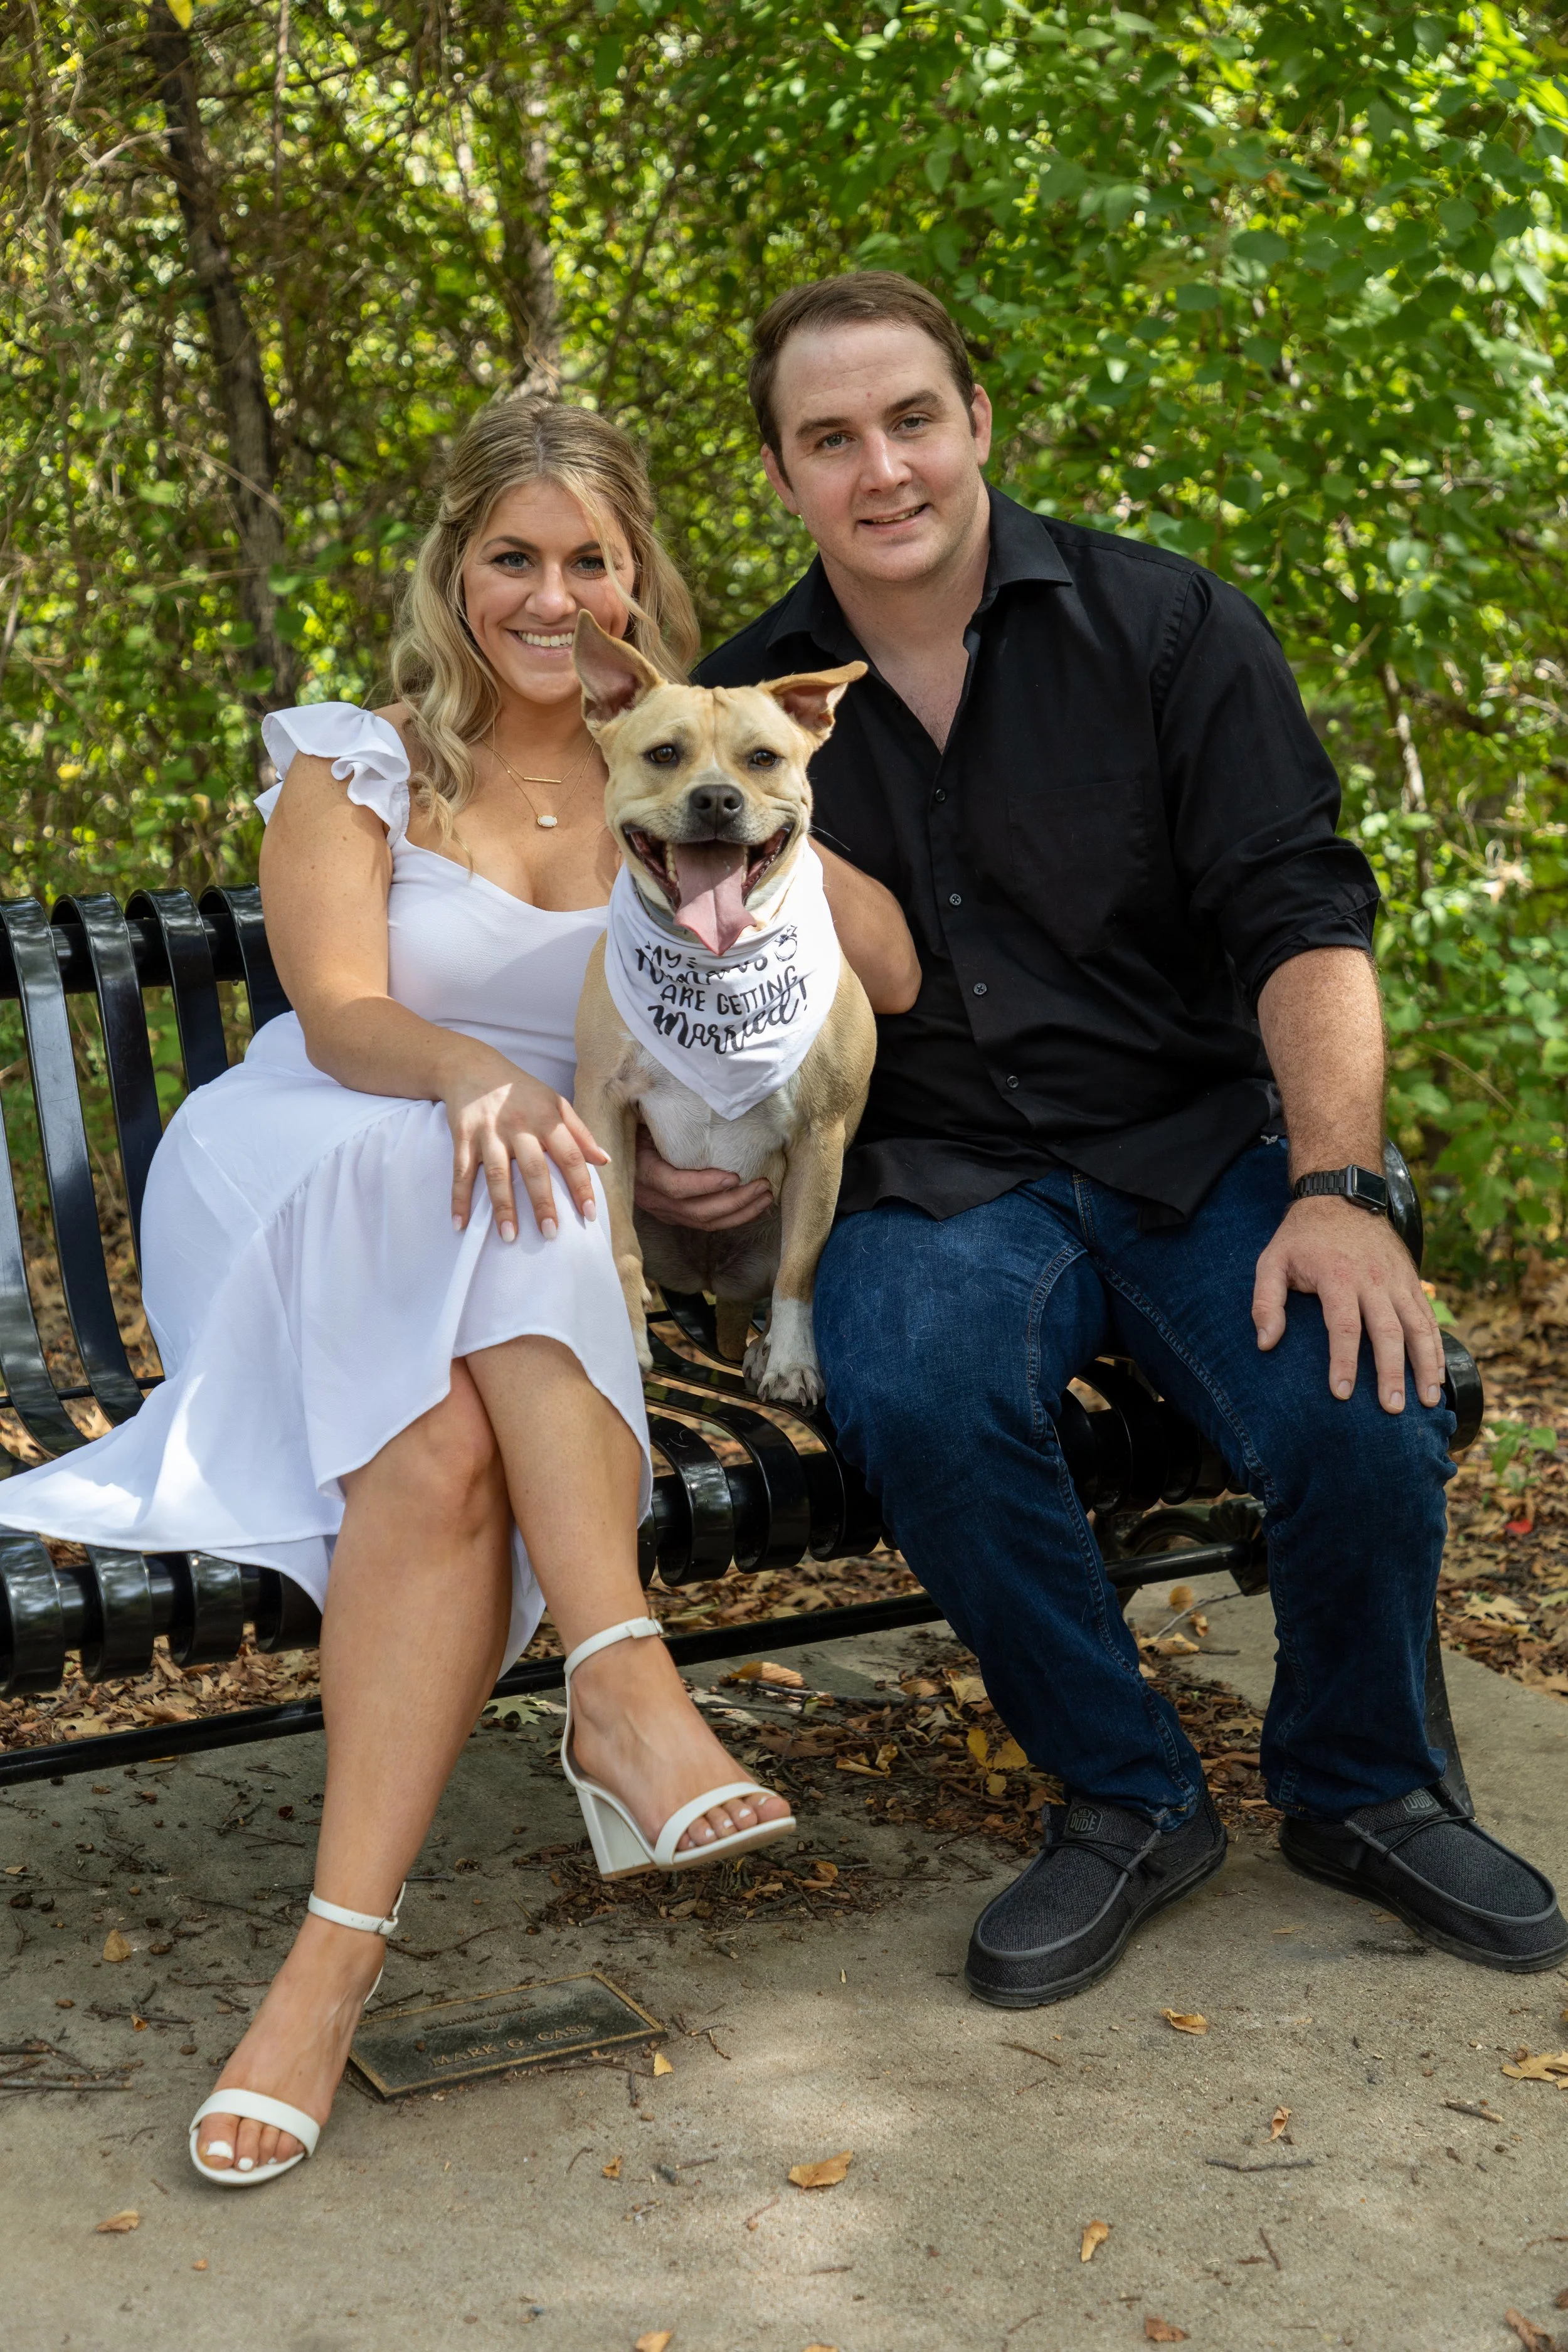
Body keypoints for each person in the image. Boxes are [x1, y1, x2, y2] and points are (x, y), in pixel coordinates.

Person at [0, 396, 919, 2180]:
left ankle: (324, 1974)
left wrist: (763, 816)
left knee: (438, 1458)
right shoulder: (362, 760)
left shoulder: (691, 756)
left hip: (530, 1215)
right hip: (323, 1153)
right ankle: (627, 1683)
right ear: (456, 567)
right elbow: (341, 1014)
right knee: (515, 1161)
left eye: (591, 559)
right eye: (515, 556)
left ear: (639, 576)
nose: (552, 594)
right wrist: (481, 1079)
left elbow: (873, 962)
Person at [634, 271, 1568, 2004]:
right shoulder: (743, 716)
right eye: (829, 438)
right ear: (779, 474)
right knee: (912, 1387)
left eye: (912, 418)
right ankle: (1127, 1795)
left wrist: (1342, 1187)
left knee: (1367, 1402)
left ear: (975, 422)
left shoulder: (1162, 629)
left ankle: (1360, 1787)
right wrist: (672, 1167)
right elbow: (671, 982)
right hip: (932, 1172)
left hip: (1193, 1145)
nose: (883, 466)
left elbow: (1301, 912)